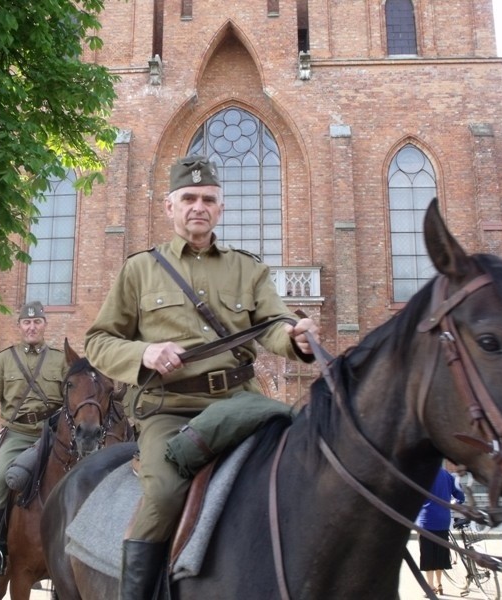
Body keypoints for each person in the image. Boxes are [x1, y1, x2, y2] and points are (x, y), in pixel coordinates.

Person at [84, 154, 320, 600]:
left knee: (307, 458)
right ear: (169, 207)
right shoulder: (140, 269)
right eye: (188, 197)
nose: (199, 205)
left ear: (220, 208)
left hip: (241, 403)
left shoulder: (247, 268)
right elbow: (98, 341)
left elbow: (273, 323)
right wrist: (145, 352)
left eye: (208, 199)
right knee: (166, 493)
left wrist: (296, 338)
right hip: (170, 411)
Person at [0, 300, 68, 576]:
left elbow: (74, 399)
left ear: (45, 325)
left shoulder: (61, 360)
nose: (32, 326)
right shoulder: (4, 359)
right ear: (20, 326)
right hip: (19, 433)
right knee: (0, 478)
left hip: (53, 435)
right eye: (27, 322)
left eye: (37, 322)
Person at [416, 461, 466, 597]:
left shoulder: (422, 475)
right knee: (439, 554)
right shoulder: (447, 475)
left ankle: (430, 587)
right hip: (443, 520)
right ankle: (439, 584)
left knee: (427, 555)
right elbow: (460, 496)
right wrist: (454, 503)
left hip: (426, 521)